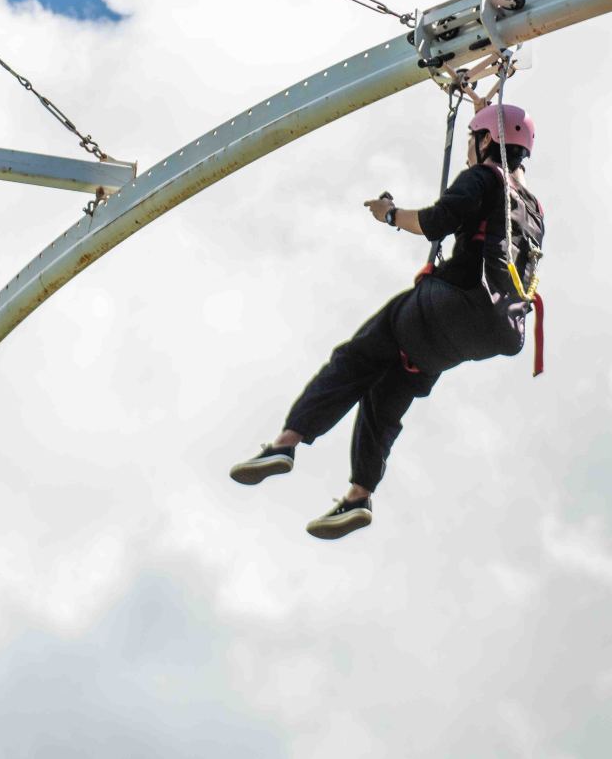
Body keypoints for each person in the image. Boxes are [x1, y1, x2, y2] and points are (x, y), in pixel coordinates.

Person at [229, 101, 545, 539]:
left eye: (474, 142)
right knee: (387, 392)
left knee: (356, 357)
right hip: (486, 333)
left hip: (448, 306)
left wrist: (390, 214)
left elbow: (437, 222)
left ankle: (286, 442)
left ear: (488, 140)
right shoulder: (532, 207)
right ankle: (359, 495)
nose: (468, 154)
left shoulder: (484, 177)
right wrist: (481, 109)